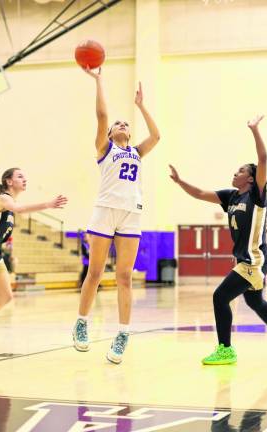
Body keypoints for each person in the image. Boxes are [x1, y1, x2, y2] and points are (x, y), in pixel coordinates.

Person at [72, 67, 160, 364]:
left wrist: (141, 106)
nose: (121, 124)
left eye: (125, 123)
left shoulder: (136, 151)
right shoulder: (105, 149)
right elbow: (101, 117)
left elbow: (157, 135)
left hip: (131, 215)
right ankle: (82, 322)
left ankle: (123, 333)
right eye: (117, 124)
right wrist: (98, 80)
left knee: (124, 277)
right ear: (110, 133)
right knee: (95, 273)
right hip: (105, 211)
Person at [169, 115, 267, 365]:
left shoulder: (257, 195)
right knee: (254, 300)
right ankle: (226, 348)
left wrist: (255, 130)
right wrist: (181, 182)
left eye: (241, 171)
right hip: (250, 260)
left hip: (253, 260)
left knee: (220, 296)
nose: (235, 173)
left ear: (250, 178)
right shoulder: (231, 197)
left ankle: (225, 349)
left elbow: (263, 159)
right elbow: (201, 193)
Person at [0, 167, 67, 347]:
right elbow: (20, 209)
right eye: (20, 176)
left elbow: (3, 233)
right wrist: (48, 204)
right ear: (9, 181)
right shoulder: (3, 198)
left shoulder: (9, 209)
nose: (25, 179)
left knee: (5, 296)